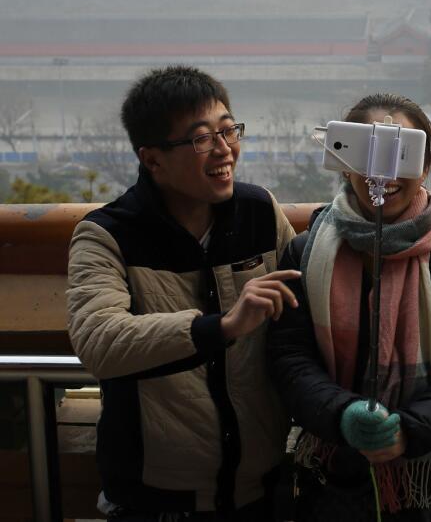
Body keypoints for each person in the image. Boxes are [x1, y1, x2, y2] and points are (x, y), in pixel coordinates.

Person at [66, 66, 299, 520]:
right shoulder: (106, 236)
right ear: (153, 160)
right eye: (201, 138)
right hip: (153, 498)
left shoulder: (260, 213)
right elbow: (98, 341)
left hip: (260, 487)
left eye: (229, 130)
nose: (224, 148)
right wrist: (221, 327)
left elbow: (305, 301)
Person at [266, 93, 431, 521]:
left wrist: (408, 430)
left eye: (402, 155)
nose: (385, 175)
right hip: (333, 479)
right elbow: (289, 356)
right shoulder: (307, 251)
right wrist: (342, 414)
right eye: (369, 154)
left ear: (427, 164)